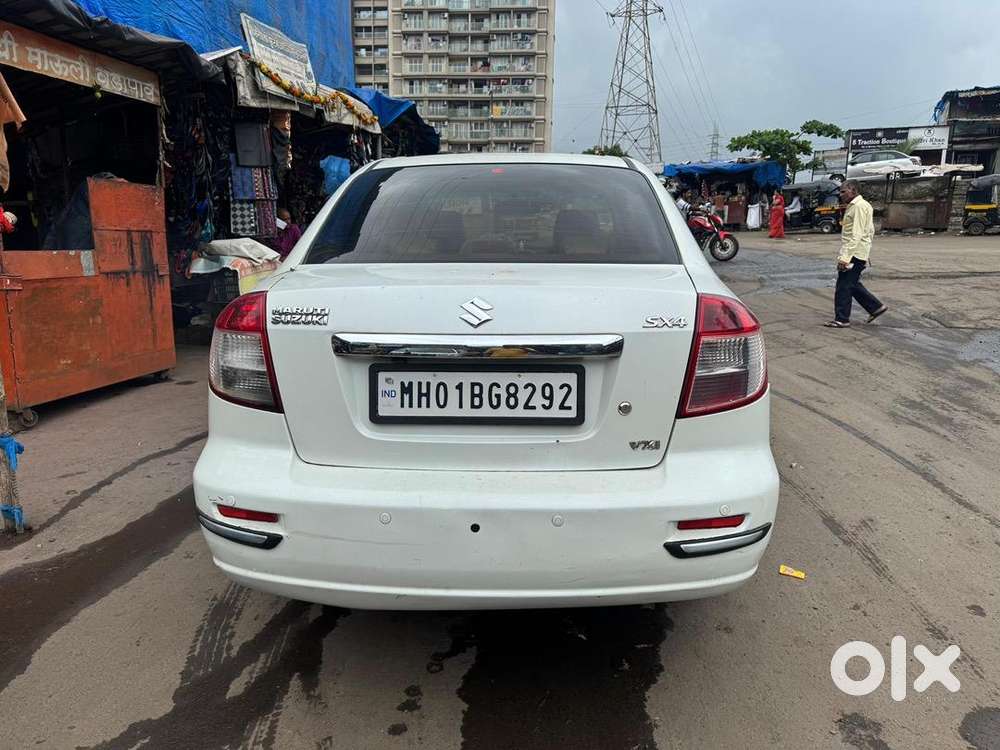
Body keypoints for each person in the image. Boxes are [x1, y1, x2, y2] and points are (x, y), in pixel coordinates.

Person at [824, 180, 888, 328]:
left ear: (853, 190)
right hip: (858, 251)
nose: (841, 195)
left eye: (843, 192)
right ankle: (875, 307)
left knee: (844, 286)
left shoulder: (859, 206)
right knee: (851, 284)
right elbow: (868, 231)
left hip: (854, 253)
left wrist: (845, 257)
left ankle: (842, 319)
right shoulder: (859, 205)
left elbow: (856, 234)